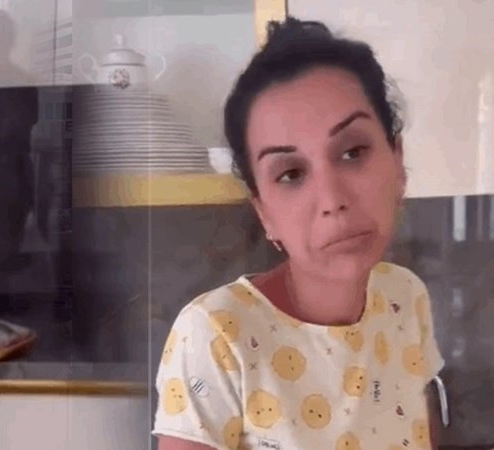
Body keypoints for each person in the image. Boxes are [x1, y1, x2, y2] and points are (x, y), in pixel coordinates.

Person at [153, 18, 444, 450]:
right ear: (264, 212)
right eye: (290, 174)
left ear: (396, 160)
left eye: (353, 152)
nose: (332, 199)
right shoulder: (216, 336)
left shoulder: (406, 297)